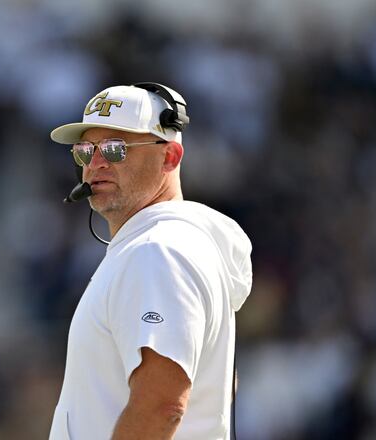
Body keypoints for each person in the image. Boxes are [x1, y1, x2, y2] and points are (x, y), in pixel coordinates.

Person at [48, 84, 253, 440]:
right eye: (85, 151)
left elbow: (162, 406)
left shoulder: (158, 251)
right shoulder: (168, 246)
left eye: (115, 149)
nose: (95, 164)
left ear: (170, 157)